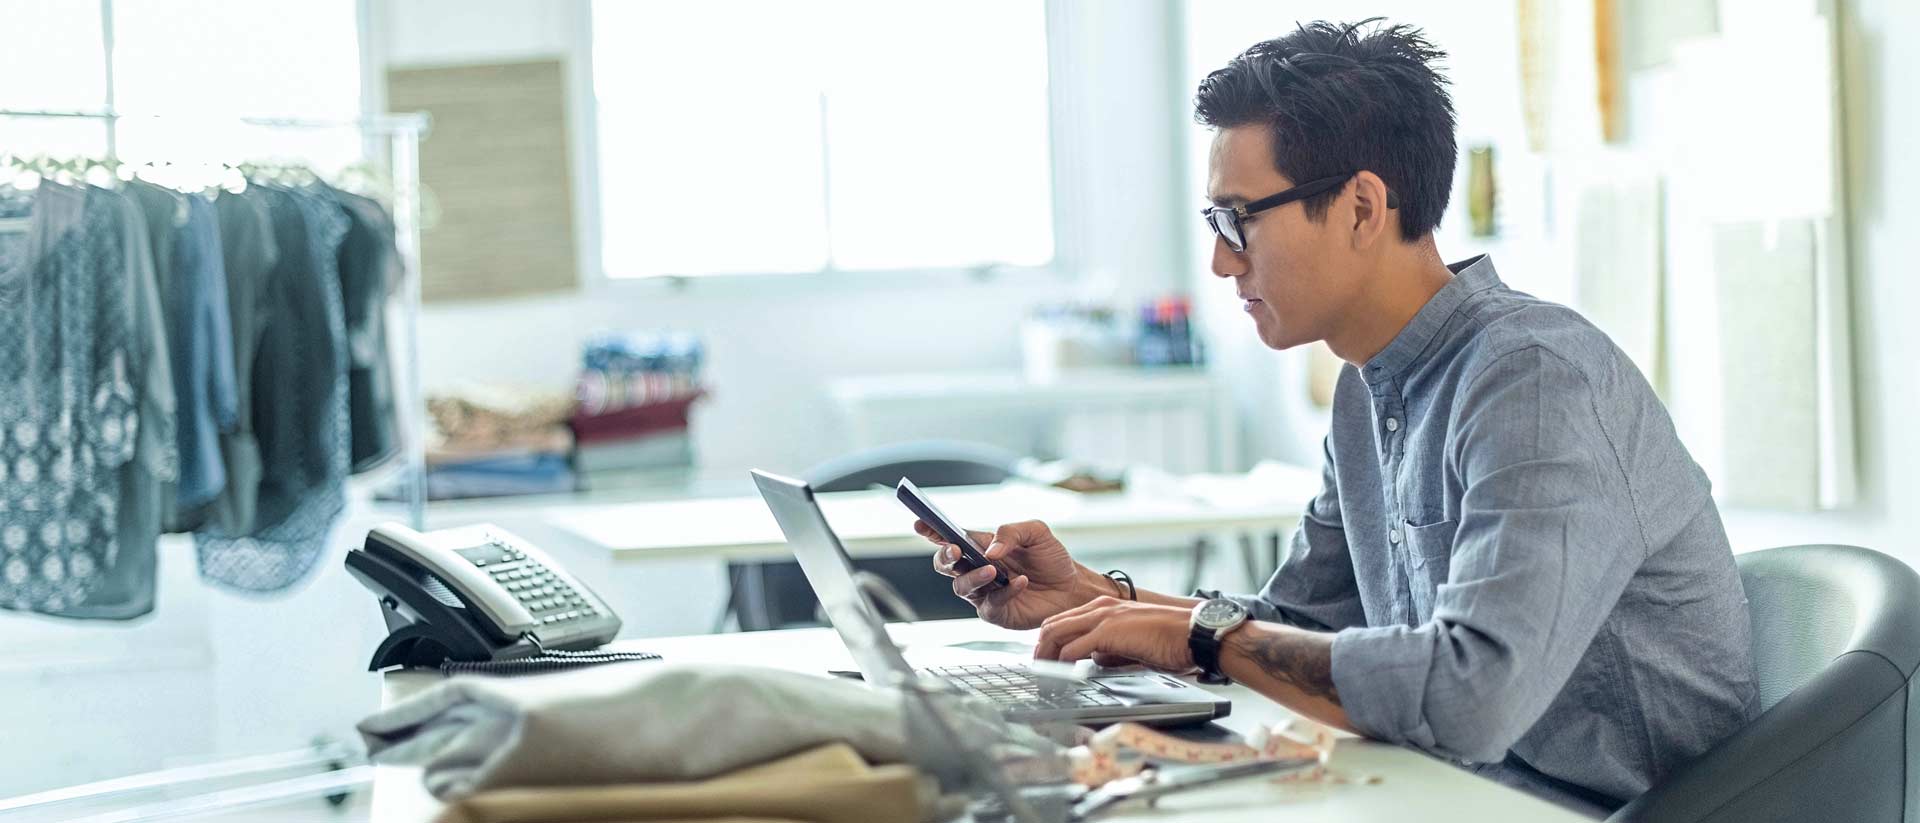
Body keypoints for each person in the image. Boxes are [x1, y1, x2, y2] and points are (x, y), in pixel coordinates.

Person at [922, 19, 1756, 817]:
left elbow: (1472, 695)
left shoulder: (1535, 381)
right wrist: (1100, 599)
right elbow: (1304, 627)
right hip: (1453, 788)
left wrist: (1203, 638)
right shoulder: (1369, 390)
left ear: (1362, 207)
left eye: (1238, 219)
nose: (1220, 260)